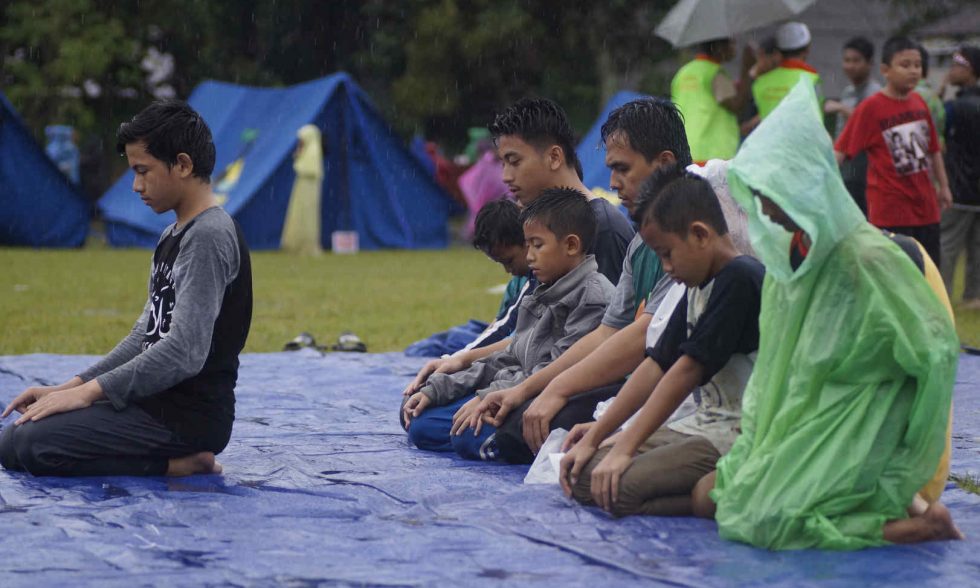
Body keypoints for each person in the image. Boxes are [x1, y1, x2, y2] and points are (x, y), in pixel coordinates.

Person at [692, 79, 960, 549]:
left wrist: (904, 465)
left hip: (868, 419)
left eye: (769, 191)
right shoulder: (790, 260)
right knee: (722, 497)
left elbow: (934, 355)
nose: (763, 208)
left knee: (764, 517)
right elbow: (778, 368)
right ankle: (898, 514)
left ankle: (912, 522)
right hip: (817, 417)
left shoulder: (867, 258)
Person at [0, 100, 253, 477]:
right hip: (150, 400)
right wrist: (70, 386)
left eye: (143, 171)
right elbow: (145, 334)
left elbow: (185, 352)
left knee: (33, 445)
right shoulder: (172, 234)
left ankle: (179, 464)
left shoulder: (209, 236)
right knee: (12, 441)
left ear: (182, 165)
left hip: (186, 418)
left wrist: (87, 395)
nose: (136, 186)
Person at [558, 169, 764, 517]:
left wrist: (625, 446)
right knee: (583, 470)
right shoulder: (700, 282)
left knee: (614, 486)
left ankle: (723, 489)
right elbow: (656, 364)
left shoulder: (740, 278)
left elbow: (684, 371)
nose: (666, 268)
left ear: (700, 234)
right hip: (702, 426)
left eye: (667, 254)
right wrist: (599, 437)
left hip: (736, 431)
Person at [402, 189, 615, 460]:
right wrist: (441, 387)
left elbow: (552, 371)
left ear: (571, 245)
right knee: (419, 418)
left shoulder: (592, 297)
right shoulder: (542, 289)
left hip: (544, 395)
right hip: (512, 389)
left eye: (537, 245)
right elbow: (507, 356)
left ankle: (501, 441)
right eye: (528, 246)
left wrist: (487, 396)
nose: (529, 257)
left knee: (466, 435)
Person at [835, 36, 953, 265]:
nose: (913, 71)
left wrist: (944, 186)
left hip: (926, 208)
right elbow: (840, 151)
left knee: (928, 274)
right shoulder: (870, 108)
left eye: (917, 65)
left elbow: (934, 150)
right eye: (905, 65)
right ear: (885, 70)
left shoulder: (919, 102)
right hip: (890, 211)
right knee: (895, 275)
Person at [939, 46, 980, 308]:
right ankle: (974, 297)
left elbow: (931, 125)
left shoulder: (954, 107)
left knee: (947, 246)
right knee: (977, 249)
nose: (951, 70)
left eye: (958, 65)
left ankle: (940, 294)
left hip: (959, 188)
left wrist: (939, 90)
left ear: (971, 71)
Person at [671, 37, 755, 163]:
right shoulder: (715, 73)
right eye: (732, 44)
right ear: (719, 48)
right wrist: (746, 68)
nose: (735, 49)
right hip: (713, 155)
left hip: (685, 151)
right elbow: (737, 105)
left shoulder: (683, 73)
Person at [824, 36, 881, 215]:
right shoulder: (848, 92)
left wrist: (841, 108)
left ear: (869, 63)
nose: (850, 66)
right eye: (847, 60)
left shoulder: (875, 93)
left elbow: (869, 124)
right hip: (846, 165)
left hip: (865, 167)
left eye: (856, 61)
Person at [752, 22, 821, 120]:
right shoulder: (811, 79)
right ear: (807, 49)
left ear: (779, 51)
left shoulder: (761, 82)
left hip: (768, 135)